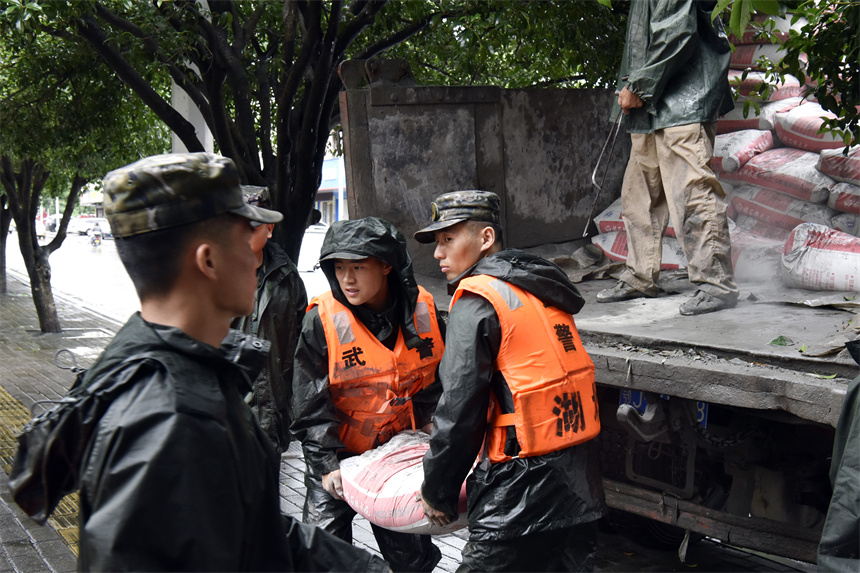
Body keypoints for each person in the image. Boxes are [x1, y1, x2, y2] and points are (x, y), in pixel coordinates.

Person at [9, 152, 387, 572]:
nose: (256, 254)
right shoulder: (172, 418)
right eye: (245, 236)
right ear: (208, 260)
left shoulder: (171, 369)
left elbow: (243, 528)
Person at [414, 190, 606, 572]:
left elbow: (459, 409)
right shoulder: (539, 285)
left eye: (448, 239)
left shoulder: (477, 300)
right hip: (578, 478)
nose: (438, 254)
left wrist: (438, 491)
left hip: (517, 490)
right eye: (437, 243)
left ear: (485, 238)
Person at [292, 216, 445, 573]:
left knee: (413, 559)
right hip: (336, 455)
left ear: (386, 265)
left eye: (358, 267)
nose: (347, 279)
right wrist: (327, 465)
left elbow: (435, 379)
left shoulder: (424, 309)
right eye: (339, 268)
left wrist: (429, 424)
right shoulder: (322, 319)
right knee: (321, 554)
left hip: (394, 451)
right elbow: (308, 400)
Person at [596, 0, 739, 316]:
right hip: (650, 108)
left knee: (692, 192)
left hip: (682, 102)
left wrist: (639, 85)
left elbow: (676, 35)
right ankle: (639, 276)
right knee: (639, 196)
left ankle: (716, 284)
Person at [231, 186, 307, 454]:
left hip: (271, 416)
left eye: (252, 226)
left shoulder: (287, 278)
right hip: (226, 418)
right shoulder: (212, 278)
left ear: (269, 229)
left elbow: (302, 349)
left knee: (266, 493)